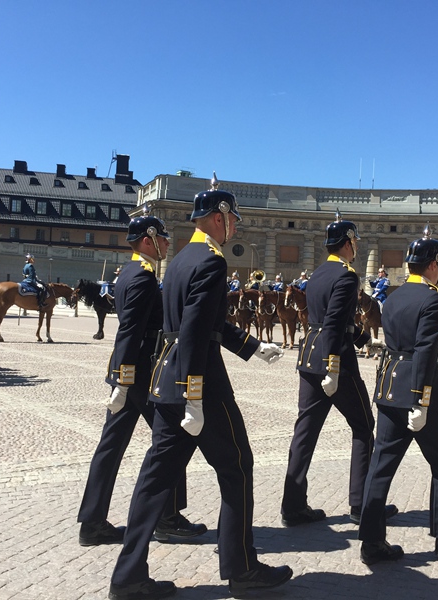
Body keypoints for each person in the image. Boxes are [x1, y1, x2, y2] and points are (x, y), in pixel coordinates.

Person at [108, 174, 291, 599]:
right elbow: (193, 331)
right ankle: (242, 568)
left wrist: (250, 345)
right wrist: (195, 394)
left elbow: (205, 321)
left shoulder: (181, 260)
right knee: (237, 467)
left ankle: (128, 575)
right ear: (219, 217)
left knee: (155, 481)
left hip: (164, 381)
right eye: (235, 219)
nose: (238, 227)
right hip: (200, 385)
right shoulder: (211, 261)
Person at [78, 210, 207, 548]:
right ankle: (167, 517)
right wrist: (124, 380)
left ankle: (92, 522)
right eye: (163, 237)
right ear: (149, 238)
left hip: (129, 374)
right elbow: (131, 332)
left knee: (110, 448)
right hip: (141, 375)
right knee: (172, 441)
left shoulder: (131, 272)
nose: (167, 242)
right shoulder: (143, 277)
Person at [357, 228, 438, 565]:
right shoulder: (433, 298)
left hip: (388, 387)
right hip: (416, 392)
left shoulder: (395, 296)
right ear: (432, 266)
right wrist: (420, 399)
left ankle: (371, 542)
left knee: (380, 467)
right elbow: (427, 351)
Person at [281, 210, 395, 527]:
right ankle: (361, 504)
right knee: (363, 426)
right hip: (336, 363)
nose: (355, 245)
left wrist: (364, 339)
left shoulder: (317, 275)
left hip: (309, 358)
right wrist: (333, 365)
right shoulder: (346, 276)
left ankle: (292, 505)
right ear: (347, 243)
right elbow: (333, 323)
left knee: (304, 432)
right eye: (354, 240)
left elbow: (328, 321)